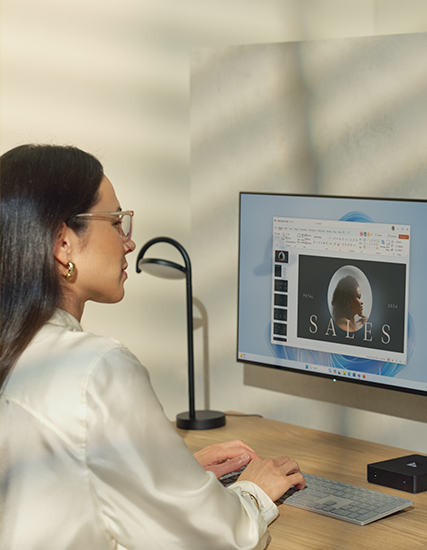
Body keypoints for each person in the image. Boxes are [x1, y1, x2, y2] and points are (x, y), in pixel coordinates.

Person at [0, 144, 305, 550]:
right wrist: (252, 492)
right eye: (116, 222)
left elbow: (57, 491)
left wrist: (169, 475)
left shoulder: (18, 351)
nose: (129, 243)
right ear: (63, 244)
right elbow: (215, 540)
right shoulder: (94, 368)